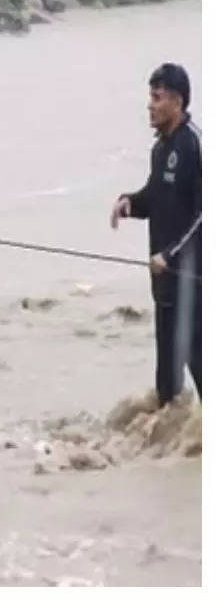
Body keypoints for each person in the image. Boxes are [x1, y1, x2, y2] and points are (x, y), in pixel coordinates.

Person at [111, 63, 201, 407]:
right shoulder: (160, 148)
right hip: (163, 281)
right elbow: (155, 196)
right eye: (150, 96)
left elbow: (203, 216)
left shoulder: (194, 146)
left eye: (156, 97)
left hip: (191, 279)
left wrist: (171, 256)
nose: (149, 105)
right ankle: (171, 444)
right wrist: (129, 204)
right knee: (167, 380)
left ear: (177, 102)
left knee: (200, 362)